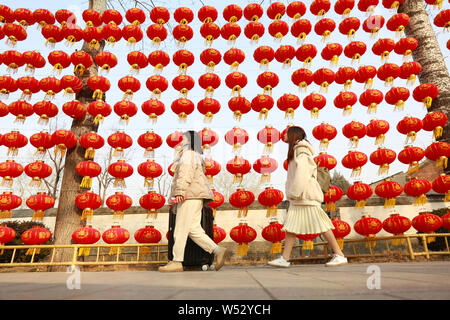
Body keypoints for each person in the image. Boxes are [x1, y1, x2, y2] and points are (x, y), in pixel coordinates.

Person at [268, 126, 348, 268]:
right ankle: (285, 258)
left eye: (286, 133)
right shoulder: (298, 151)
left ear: (293, 136)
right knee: (292, 227)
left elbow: (302, 175)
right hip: (301, 198)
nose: (283, 136)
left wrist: (294, 192)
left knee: (322, 225)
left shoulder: (302, 152)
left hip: (305, 196)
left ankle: (339, 255)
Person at [159, 130, 227, 272]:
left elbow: (185, 174)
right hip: (195, 195)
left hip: (189, 195)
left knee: (181, 229)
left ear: (189, 141)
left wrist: (180, 192)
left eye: (183, 139)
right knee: (193, 229)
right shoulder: (194, 155)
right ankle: (218, 250)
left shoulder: (188, 154)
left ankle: (176, 261)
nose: (180, 141)